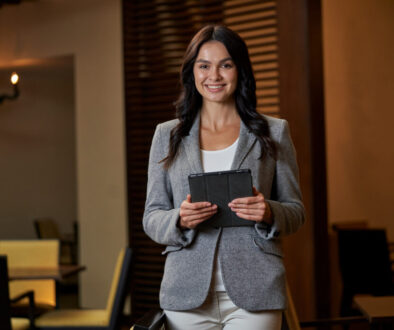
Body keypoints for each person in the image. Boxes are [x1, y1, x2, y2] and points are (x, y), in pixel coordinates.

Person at [143, 25, 305, 330]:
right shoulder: (167, 135)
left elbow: (296, 211)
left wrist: (269, 211)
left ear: (240, 70)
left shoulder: (274, 131)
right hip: (186, 292)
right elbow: (151, 217)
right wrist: (179, 218)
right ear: (192, 72)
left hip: (256, 292)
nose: (213, 76)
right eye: (204, 66)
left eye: (225, 65)